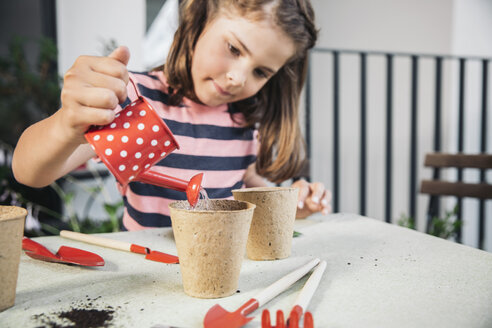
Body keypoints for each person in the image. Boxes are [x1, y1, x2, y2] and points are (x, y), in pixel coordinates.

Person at [12, 0, 331, 230]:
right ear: (199, 18)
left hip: (220, 276)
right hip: (145, 278)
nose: (238, 78)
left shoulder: (245, 123)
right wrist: (68, 123)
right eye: (234, 49)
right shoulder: (134, 101)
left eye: (261, 71)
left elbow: (249, 192)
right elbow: (29, 173)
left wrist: (293, 204)